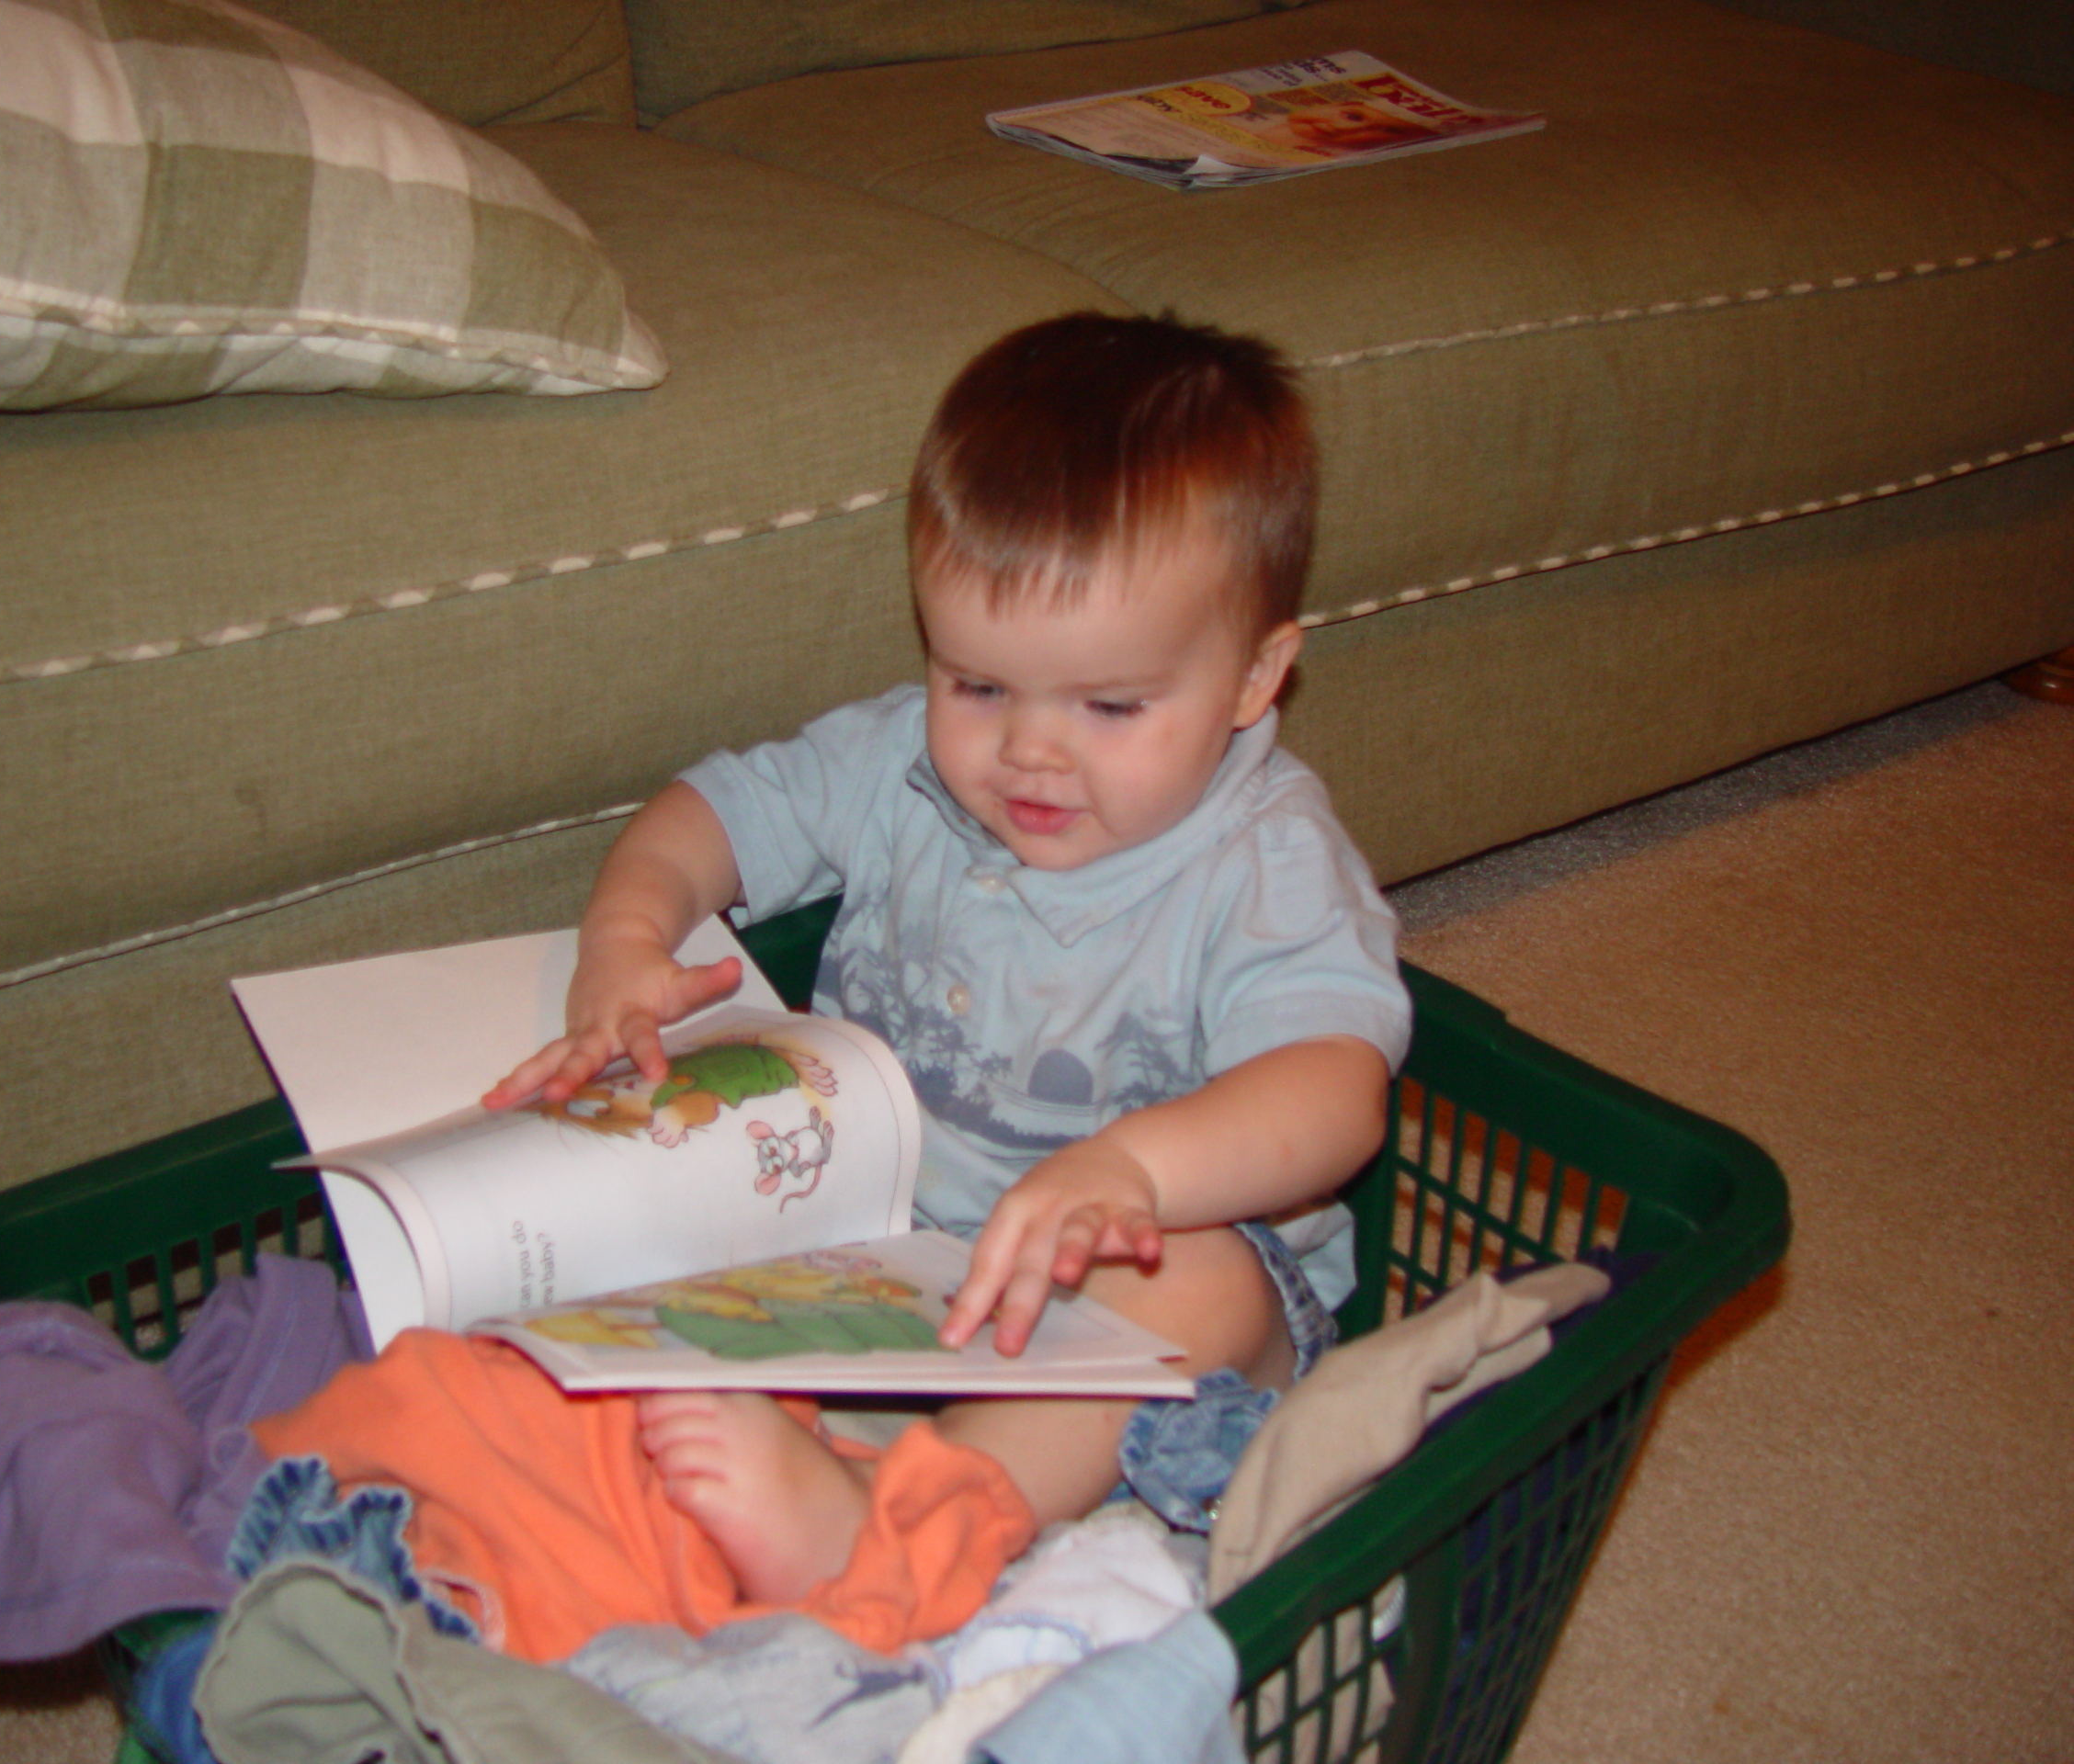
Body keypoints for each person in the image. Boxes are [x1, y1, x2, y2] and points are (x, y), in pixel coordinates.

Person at [491, 311, 1411, 1607]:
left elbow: (1333, 1089)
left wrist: (1131, 1171)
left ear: (1258, 677)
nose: (1029, 754)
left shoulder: (1263, 862)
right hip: (876, 1259)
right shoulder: (901, 770)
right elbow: (716, 815)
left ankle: (898, 1526)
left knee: (1190, 1273)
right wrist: (627, 939)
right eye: (976, 684)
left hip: (1141, 1306)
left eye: (1108, 706)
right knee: (655, 1145)